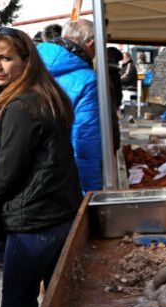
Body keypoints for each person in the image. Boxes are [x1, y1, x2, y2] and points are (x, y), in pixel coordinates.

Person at [0, 26, 82, 307]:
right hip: (60, 215)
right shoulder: (48, 93)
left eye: (6, 58)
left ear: (26, 61)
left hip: (34, 222)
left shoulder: (20, 105)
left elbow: (6, 173)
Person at [37, 19, 102, 193]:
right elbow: (86, 143)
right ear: (91, 43)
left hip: (29, 180)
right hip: (67, 181)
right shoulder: (88, 80)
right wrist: (91, 193)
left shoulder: (29, 66)